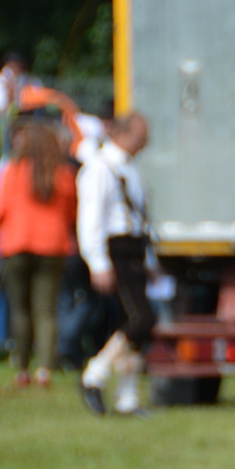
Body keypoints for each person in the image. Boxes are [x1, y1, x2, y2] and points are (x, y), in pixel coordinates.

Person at [77, 112, 155, 416]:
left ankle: (127, 398)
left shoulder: (129, 168)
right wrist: (98, 262)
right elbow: (91, 219)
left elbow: (139, 216)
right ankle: (94, 374)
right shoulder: (100, 167)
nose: (145, 141)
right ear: (122, 134)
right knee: (141, 318)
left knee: (131, 325)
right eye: (141, 135)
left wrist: (149, 257)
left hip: (133, 248)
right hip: (116, 249)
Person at [0, 118, 78, 387]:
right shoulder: (63, 173)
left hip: (16, 244)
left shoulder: (13, 170)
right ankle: (45, 369)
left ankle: (21, 367)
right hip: (52, 246)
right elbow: (72, 212)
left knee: (20, 308)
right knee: (46, 310)